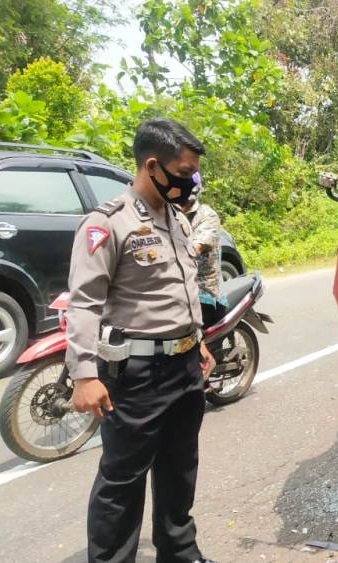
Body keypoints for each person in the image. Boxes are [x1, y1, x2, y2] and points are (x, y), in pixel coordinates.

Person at [67, 118, 216, 563]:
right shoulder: (107, 223)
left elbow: (180, 288)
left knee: (179, 470)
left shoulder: (176, 218)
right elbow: (84, 304)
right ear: (152, 166)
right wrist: (83, 375)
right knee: (122, 481)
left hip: (185, 368)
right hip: (136, 375)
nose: (190, 182)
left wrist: (198, 339)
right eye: (183, 172)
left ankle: (178, 551)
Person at [179, 178, 228, 327]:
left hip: (203, 295)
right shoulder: (168, 213)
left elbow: (195, 249)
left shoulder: (207, 216)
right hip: (179, 293)